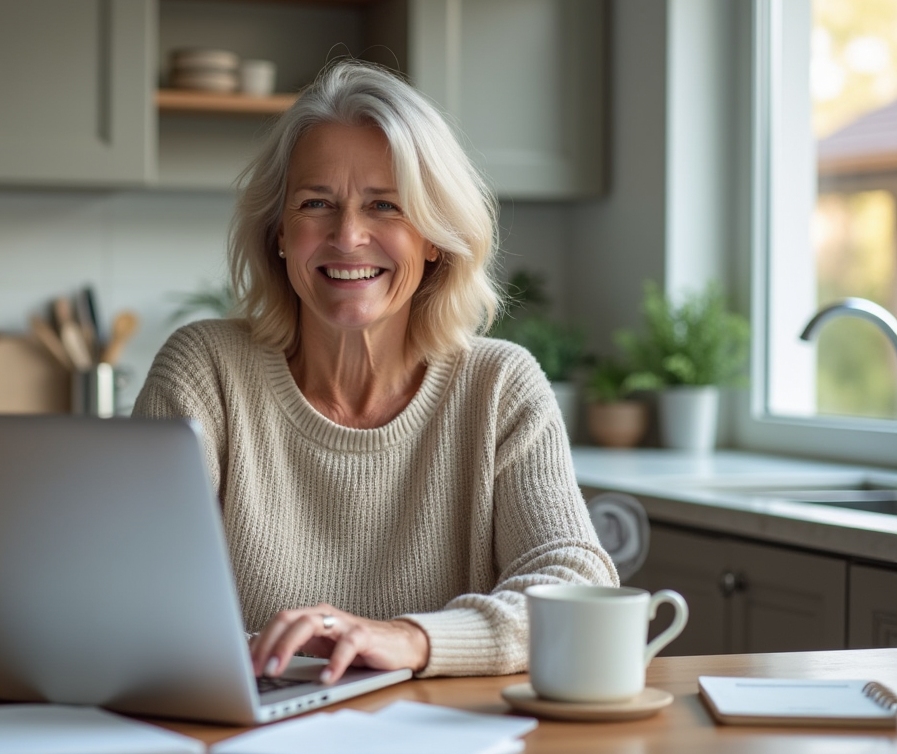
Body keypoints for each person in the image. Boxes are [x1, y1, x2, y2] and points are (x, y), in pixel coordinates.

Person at [133, 60, 617, 684]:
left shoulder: (500, 387)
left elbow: (574, 582)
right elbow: (135, 589)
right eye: (316, 204)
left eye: (385, 206)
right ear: (280, 232)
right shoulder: (204, 371)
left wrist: (409, 639)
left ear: (435, 237)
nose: (349, 235)